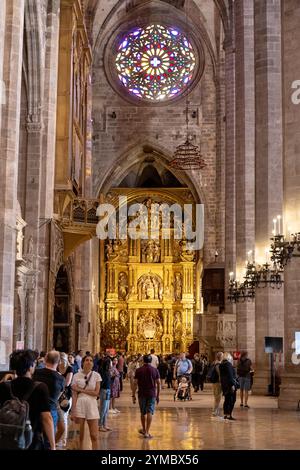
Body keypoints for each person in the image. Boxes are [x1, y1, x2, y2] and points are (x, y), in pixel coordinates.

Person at [0, 349, 55, 450]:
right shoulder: (40, 388)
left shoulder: (4, 387)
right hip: (31, 441)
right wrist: (53, 445)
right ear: (30, 366)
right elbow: (47, 418)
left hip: (7, 440)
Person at [71, 355, 101, 450]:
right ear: (83, 362)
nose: (89, 362)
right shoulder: (76, 376)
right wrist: (73, 410)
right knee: (79, 435)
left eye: (91, 360)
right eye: (87, 360)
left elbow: (96, 393)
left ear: (93, 363)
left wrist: (81, 390)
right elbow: (74, 395)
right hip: (79, 404)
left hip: (92, 405)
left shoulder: (96, 375)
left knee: (94, 435)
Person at [33, 350, 65, 437]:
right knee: (48, 437)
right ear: (58, 362)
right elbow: (58, 396)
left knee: (35, 436)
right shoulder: (61, 379)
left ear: (45, 359)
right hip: (51, 408)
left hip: (35, 407)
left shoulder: (35, 372)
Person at [132, 354, 160, 439]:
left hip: (142, 393)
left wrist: (133, 395)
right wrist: (158, 395)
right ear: (151, 361)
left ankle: (144, 429)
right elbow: (158, 384)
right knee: (150, 412)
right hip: (151, 393)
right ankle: (147, 432)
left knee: (143, 412)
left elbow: (135, 383)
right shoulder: (155, 370)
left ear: (143, 361)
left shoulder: (139, 370)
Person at [56, 352, 74, 447]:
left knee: (63, 418)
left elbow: (67, 383)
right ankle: (57, 440)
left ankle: (63, 441)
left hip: (65, 395)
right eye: (59, 361)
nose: (60, 363)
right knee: (57, 418)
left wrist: (57, 380)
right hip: (56, 394)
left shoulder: (70, 368)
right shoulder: (57, 367)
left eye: (62, 360)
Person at [219, 352, 238, 420]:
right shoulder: (228, 364)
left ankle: (225, 414)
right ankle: (229, 414)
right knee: (232, 400)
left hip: (224, 385)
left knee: (226, 399)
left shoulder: (221, 364)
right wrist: (232, 384)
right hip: (229, 384)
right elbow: (230, 376)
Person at [98, 354, 112, 432]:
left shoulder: (107, 371)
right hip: (104, 391)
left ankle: (104, 424)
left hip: (107, 390)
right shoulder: (103, 372)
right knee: (103, 409)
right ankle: (100, 425)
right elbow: (102, 383)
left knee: (106, 409)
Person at [210, 351, 224, 417]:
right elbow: (219, 374)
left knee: (217, 397)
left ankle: (216, 411)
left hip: (215, 382)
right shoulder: (218, 364)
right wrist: (221, 382)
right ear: (220, 357)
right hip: (217, 383)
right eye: (222, 356)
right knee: (217, 398)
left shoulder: (214, 363)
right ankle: (214, 411)